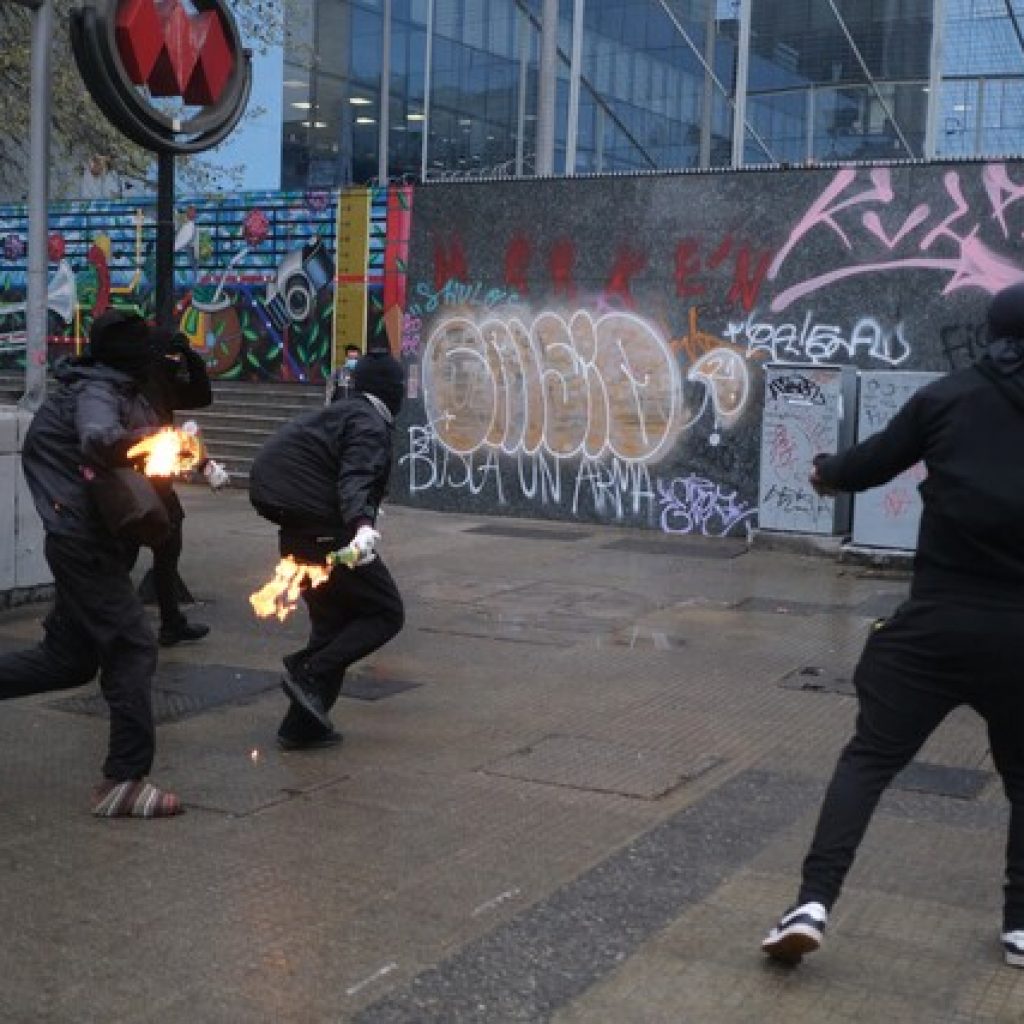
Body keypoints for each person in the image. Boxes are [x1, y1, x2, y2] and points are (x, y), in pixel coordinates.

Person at [762, 283, 1024, 969]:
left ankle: (812, 905)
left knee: (869, 762)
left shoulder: (948, 397)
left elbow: (866, 467)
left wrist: (824, 473)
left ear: (992, 333)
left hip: (936, 624)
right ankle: (1022, 926)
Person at [0, 310, 182, 817]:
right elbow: (99, 439)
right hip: (85, 544)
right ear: (131, 357)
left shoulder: (114, 387)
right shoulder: (98, 392)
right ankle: (123, 781)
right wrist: (154, 444)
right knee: (132, 645)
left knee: (69, 659)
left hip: (87, 542)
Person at [249, 349, 406, 751]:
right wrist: (361, 525)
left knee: (333, 624)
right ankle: (307, 671)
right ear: (392, 391)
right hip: (324, 534)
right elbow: (356, 476)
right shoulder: (369, 422)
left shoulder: (344, 412)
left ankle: (301, 726)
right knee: (385, 612)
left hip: (297, 531)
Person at [139, 327, 212, 646]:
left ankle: (171, 621)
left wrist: (191, 359)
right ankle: (84, 625)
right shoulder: (137, 382)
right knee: (122, 552)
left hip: (158, 477)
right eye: (168, 356)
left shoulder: (162, 380)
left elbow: (200, 396)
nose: (173, 363)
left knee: (168, 544)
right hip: (133, 477)